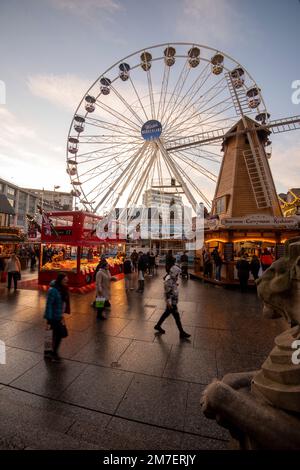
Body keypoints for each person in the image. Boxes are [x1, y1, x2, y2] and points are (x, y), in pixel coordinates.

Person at [154, 264, 191, 340]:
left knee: (166, 314)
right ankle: (181, 332)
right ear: (174, 273)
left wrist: (175, 285)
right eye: (177, 274)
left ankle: (158, 325)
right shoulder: (169, 281)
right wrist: (169, 303)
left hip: (172, 302)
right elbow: (167, 293)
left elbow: (171, 289)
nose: (178, 276)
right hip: (172, 303)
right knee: (177, 318)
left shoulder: (172, 280)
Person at [44, 273, 70, 362]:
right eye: (65, 280)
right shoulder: (53, 290)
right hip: (54, 317)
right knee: (57, 334)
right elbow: (49, 305)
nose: (66, 282)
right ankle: (53, 353)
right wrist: (49, 318)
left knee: (54, 334)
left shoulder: (63, 289)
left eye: (67, 280)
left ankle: (49, 352)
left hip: (58, 315)